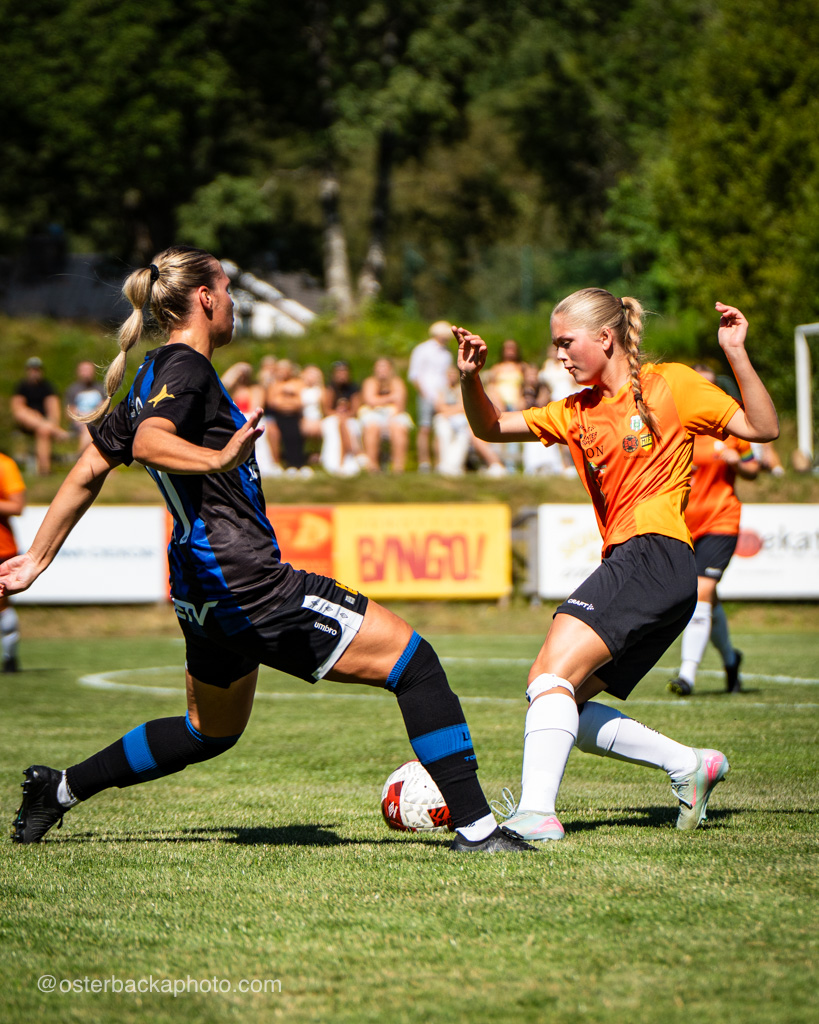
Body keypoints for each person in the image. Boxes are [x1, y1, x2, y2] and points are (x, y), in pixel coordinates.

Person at [4, 245, 529, 854]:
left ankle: (59, 789)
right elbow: (148, 442)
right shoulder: (185, 369)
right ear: (205, 298)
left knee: (210, 730)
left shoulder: (151, 374)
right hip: (247, 583)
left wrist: (36, 558)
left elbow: (88, 468)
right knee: (415, 665)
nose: (233, 303)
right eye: (228, 290)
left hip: (202, 592)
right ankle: (479, 830)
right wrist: (217, 458)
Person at [453, 289, 778, 842]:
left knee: (550, 678)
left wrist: (736, 354)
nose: (559, 355)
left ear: (605, 338)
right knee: (562, 700)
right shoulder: (574, 410)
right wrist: (470, 378)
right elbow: (490, 428)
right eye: (555, 344)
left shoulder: (670, 385)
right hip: (653, 567)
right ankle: (689, 765)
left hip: (655, 553)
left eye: (566, 342)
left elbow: (762, 428)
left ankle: (536, 816)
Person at [668, 365, 759, 696]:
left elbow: (753, 467)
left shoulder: (732, 428)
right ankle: (731, 660)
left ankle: (687, 676)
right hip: (682, 526)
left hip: (721, 520)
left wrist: (737, 462)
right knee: (708, 599)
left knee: (701, 591)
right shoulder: (676, 426)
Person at [433, 366, 506, 477]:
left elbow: (463, 407)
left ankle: (495, 465)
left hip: (470, 422)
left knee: (466, 435)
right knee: (444, 432)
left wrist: (447, 412)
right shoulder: (441, 390)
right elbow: (439, 406)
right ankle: (445, 465)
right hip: (453, 421)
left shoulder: (465, 389)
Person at [11, 357, 71, 475]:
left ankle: (44, 470)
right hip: (26, 422)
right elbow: (17, 408)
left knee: (43, 431)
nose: (35, 372)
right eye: (32, 369)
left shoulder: (47, 387)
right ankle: (57, 431)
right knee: (24, 413)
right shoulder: (22, 386)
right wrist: (34, 415)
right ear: (28, 371)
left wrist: (50, 422)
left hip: (44, 424)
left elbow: (53, 408)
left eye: (37, 369)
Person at [408, 321, 453, 472]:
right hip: (426, 394)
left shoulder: (447, 353)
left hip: (442, 396)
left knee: (440, 428)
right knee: (425, 427)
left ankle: (440, 462)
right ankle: (424, 462)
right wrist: (425, 395)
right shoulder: (422, 349)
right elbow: (415, 375)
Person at [358, 357, 413, 473]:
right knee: (372, 427)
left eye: (384, 367)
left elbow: (400, 403)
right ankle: (372, 465)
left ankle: (398, 467)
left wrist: (379, 401)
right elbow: (370, 401)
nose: (382, 370)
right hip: (374, 415)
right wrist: (390, 398)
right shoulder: (370, 382)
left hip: (393, 415)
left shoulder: (397, 382)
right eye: (379, 366)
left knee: (398, 428)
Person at [0, 451, 25, 673]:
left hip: (2, 548)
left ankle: (10, 658)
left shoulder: (4, 464)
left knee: (2, 605)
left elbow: (17, 506)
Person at [264, 358, 308, 474]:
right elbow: (273, 402)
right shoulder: (273, 385)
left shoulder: (298, 383)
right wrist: (290, 399)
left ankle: (298, 463)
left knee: (296, 434)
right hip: (278, 416)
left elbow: (300, 402)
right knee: (283, 433)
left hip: (295, 416)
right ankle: (289, 463)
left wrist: (283, 399)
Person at [320, 361, 363, 477]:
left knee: (347, 425)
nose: (342, 375)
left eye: (344, 372)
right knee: (337, 426)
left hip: (349, 418)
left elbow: (355, 410)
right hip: (332, 418)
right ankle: (354, 453)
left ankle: (344, 461)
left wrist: (344, 416)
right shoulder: (330, 388)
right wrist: (338, 415)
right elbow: (326, 410)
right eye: (339, 372)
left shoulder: (354, 389)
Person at [65, 360, 107, 456]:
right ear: (78, 372)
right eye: (84, 370)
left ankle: (80, 456)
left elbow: (107, 408)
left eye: (89, 370)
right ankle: (82, 455)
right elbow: (69, 412)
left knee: (91, 426)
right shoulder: (73, 390)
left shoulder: (101, 388)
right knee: (88, 427)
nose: (86, 373)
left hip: (97, 420)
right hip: (79, 422)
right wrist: (81, 418)